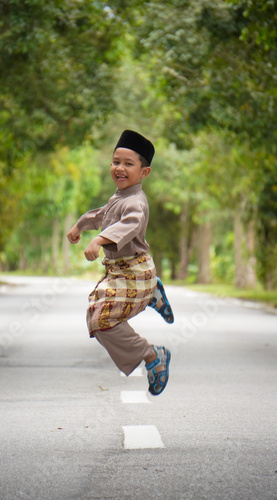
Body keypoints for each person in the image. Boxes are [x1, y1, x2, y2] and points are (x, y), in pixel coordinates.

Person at [67, 130, 174, 396]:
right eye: (116, 161)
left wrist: (98, 241)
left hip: (135, 274)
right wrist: (81, 225)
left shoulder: (136, 202)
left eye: (129, 164)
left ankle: (152, 355)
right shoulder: (119, 198)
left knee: (103, 319)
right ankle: (152, 293)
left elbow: (127, 226)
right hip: (121, 275)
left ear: (144, 172)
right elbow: (102, 215)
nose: (120, 168)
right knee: (95, 315)